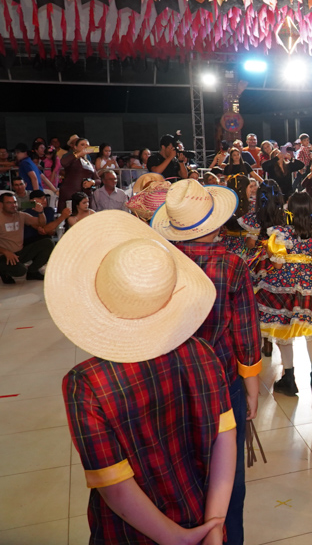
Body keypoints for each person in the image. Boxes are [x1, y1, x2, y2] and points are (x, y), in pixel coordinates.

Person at [54, 211, 235, 545]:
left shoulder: (87, 383)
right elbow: (225, 439)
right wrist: (214, 524)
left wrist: (176, 538)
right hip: (200, 510)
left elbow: (114, 486)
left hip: (132, 533)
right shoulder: (202, 352)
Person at [150, 179, 261, 545]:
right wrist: (252, 387)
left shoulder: (160, 260)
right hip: (221, 382)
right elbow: (245, 334)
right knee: (227, 478)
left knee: (179, 470)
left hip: (168, 383)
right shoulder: (232, 264)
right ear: (217, 222)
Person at [253, 191, 312, 395]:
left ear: (289, 210)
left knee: (284, 331)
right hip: (310, 283)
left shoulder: (281, 233)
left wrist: (274, 254)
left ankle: (289, 378)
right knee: (310, 330)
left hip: (285, 284)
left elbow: (277, 263)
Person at [0, 191, 50, 284]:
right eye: (9, 203)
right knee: (21, 271)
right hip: (3, 255)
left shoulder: (21, 215)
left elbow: (41, 223)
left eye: (15, 202)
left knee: (47, 243)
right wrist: (6, 252)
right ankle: (3, 271)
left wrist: (40, 212)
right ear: (1, 204)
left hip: (19, 253)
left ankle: (32, 272)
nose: (13, 205)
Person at [58, 136, 99, 212]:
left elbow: (98, 179)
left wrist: (92, 182)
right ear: (75, 147)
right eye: (82, 145)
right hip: (71, 193)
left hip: (85, 195)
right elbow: (63, 162)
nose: (85, 147)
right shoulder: (72, 158)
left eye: (87, 145)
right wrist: (79, 154)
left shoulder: (89, 163)